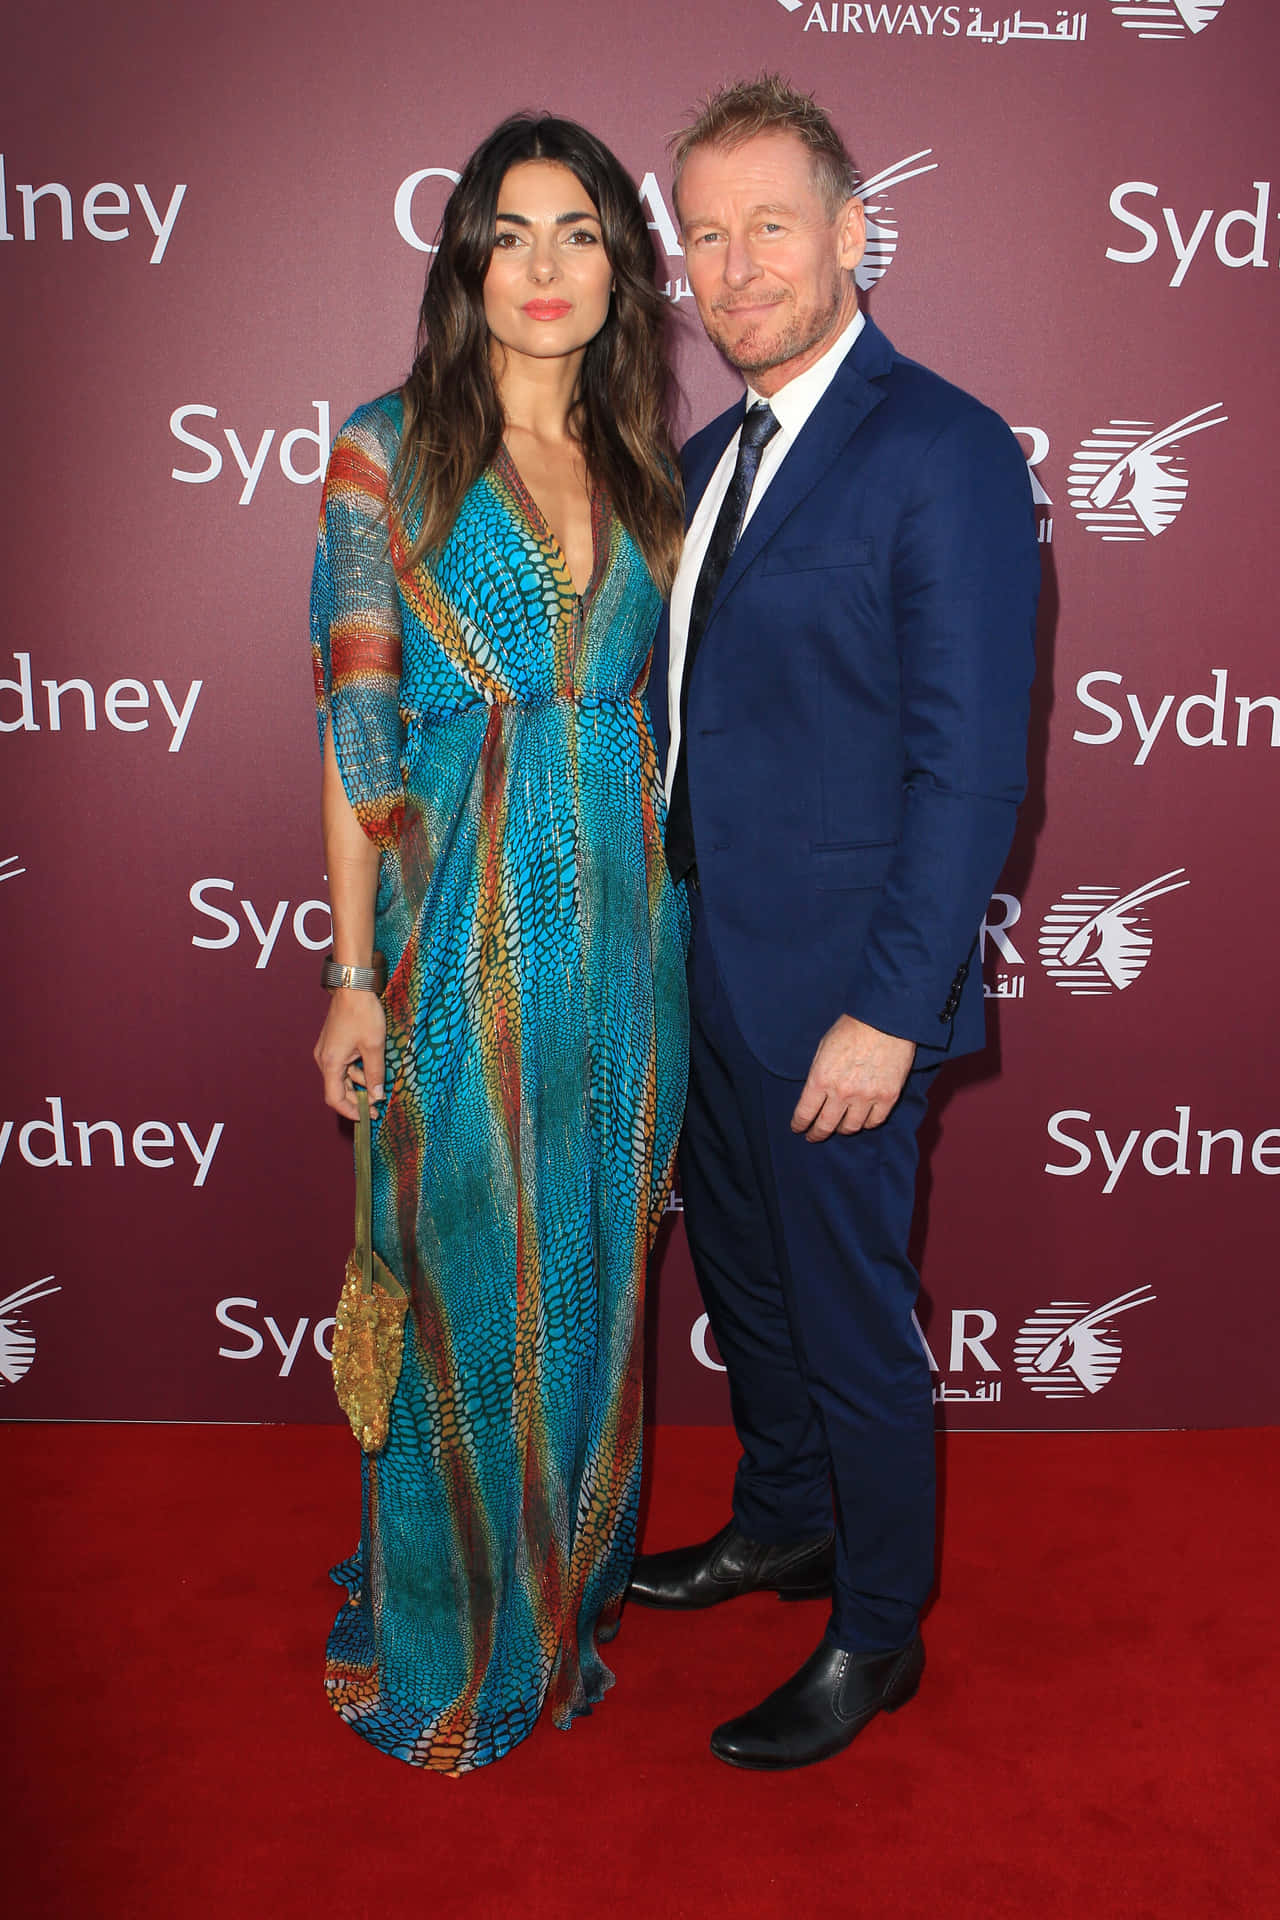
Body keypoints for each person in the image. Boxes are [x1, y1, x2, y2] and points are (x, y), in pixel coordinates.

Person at [629, 77, 1039, 1771]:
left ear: (856, 232)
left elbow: (967, 770)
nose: (733, 270)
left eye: (768, 227)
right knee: (752, 1282)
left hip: (841, 998)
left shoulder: (940, 446)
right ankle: (783, 1520)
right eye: (704, 238)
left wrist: (889, 1007)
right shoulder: (705, 458)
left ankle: (878, 1631)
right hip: (704, 973)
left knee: (853, 1312)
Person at [310, 113, 687, 1774]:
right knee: (472, 1284)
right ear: (465, 263)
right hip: (456, 941)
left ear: (623, 267)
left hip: (628, 947)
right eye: (512, 234)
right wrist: (343, 970)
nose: (547, 270)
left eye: (583, 234)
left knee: (596, 1272)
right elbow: (355, 720)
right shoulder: (386, 453)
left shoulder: (660, 473)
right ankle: (456, 1629)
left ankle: (563, 1590)